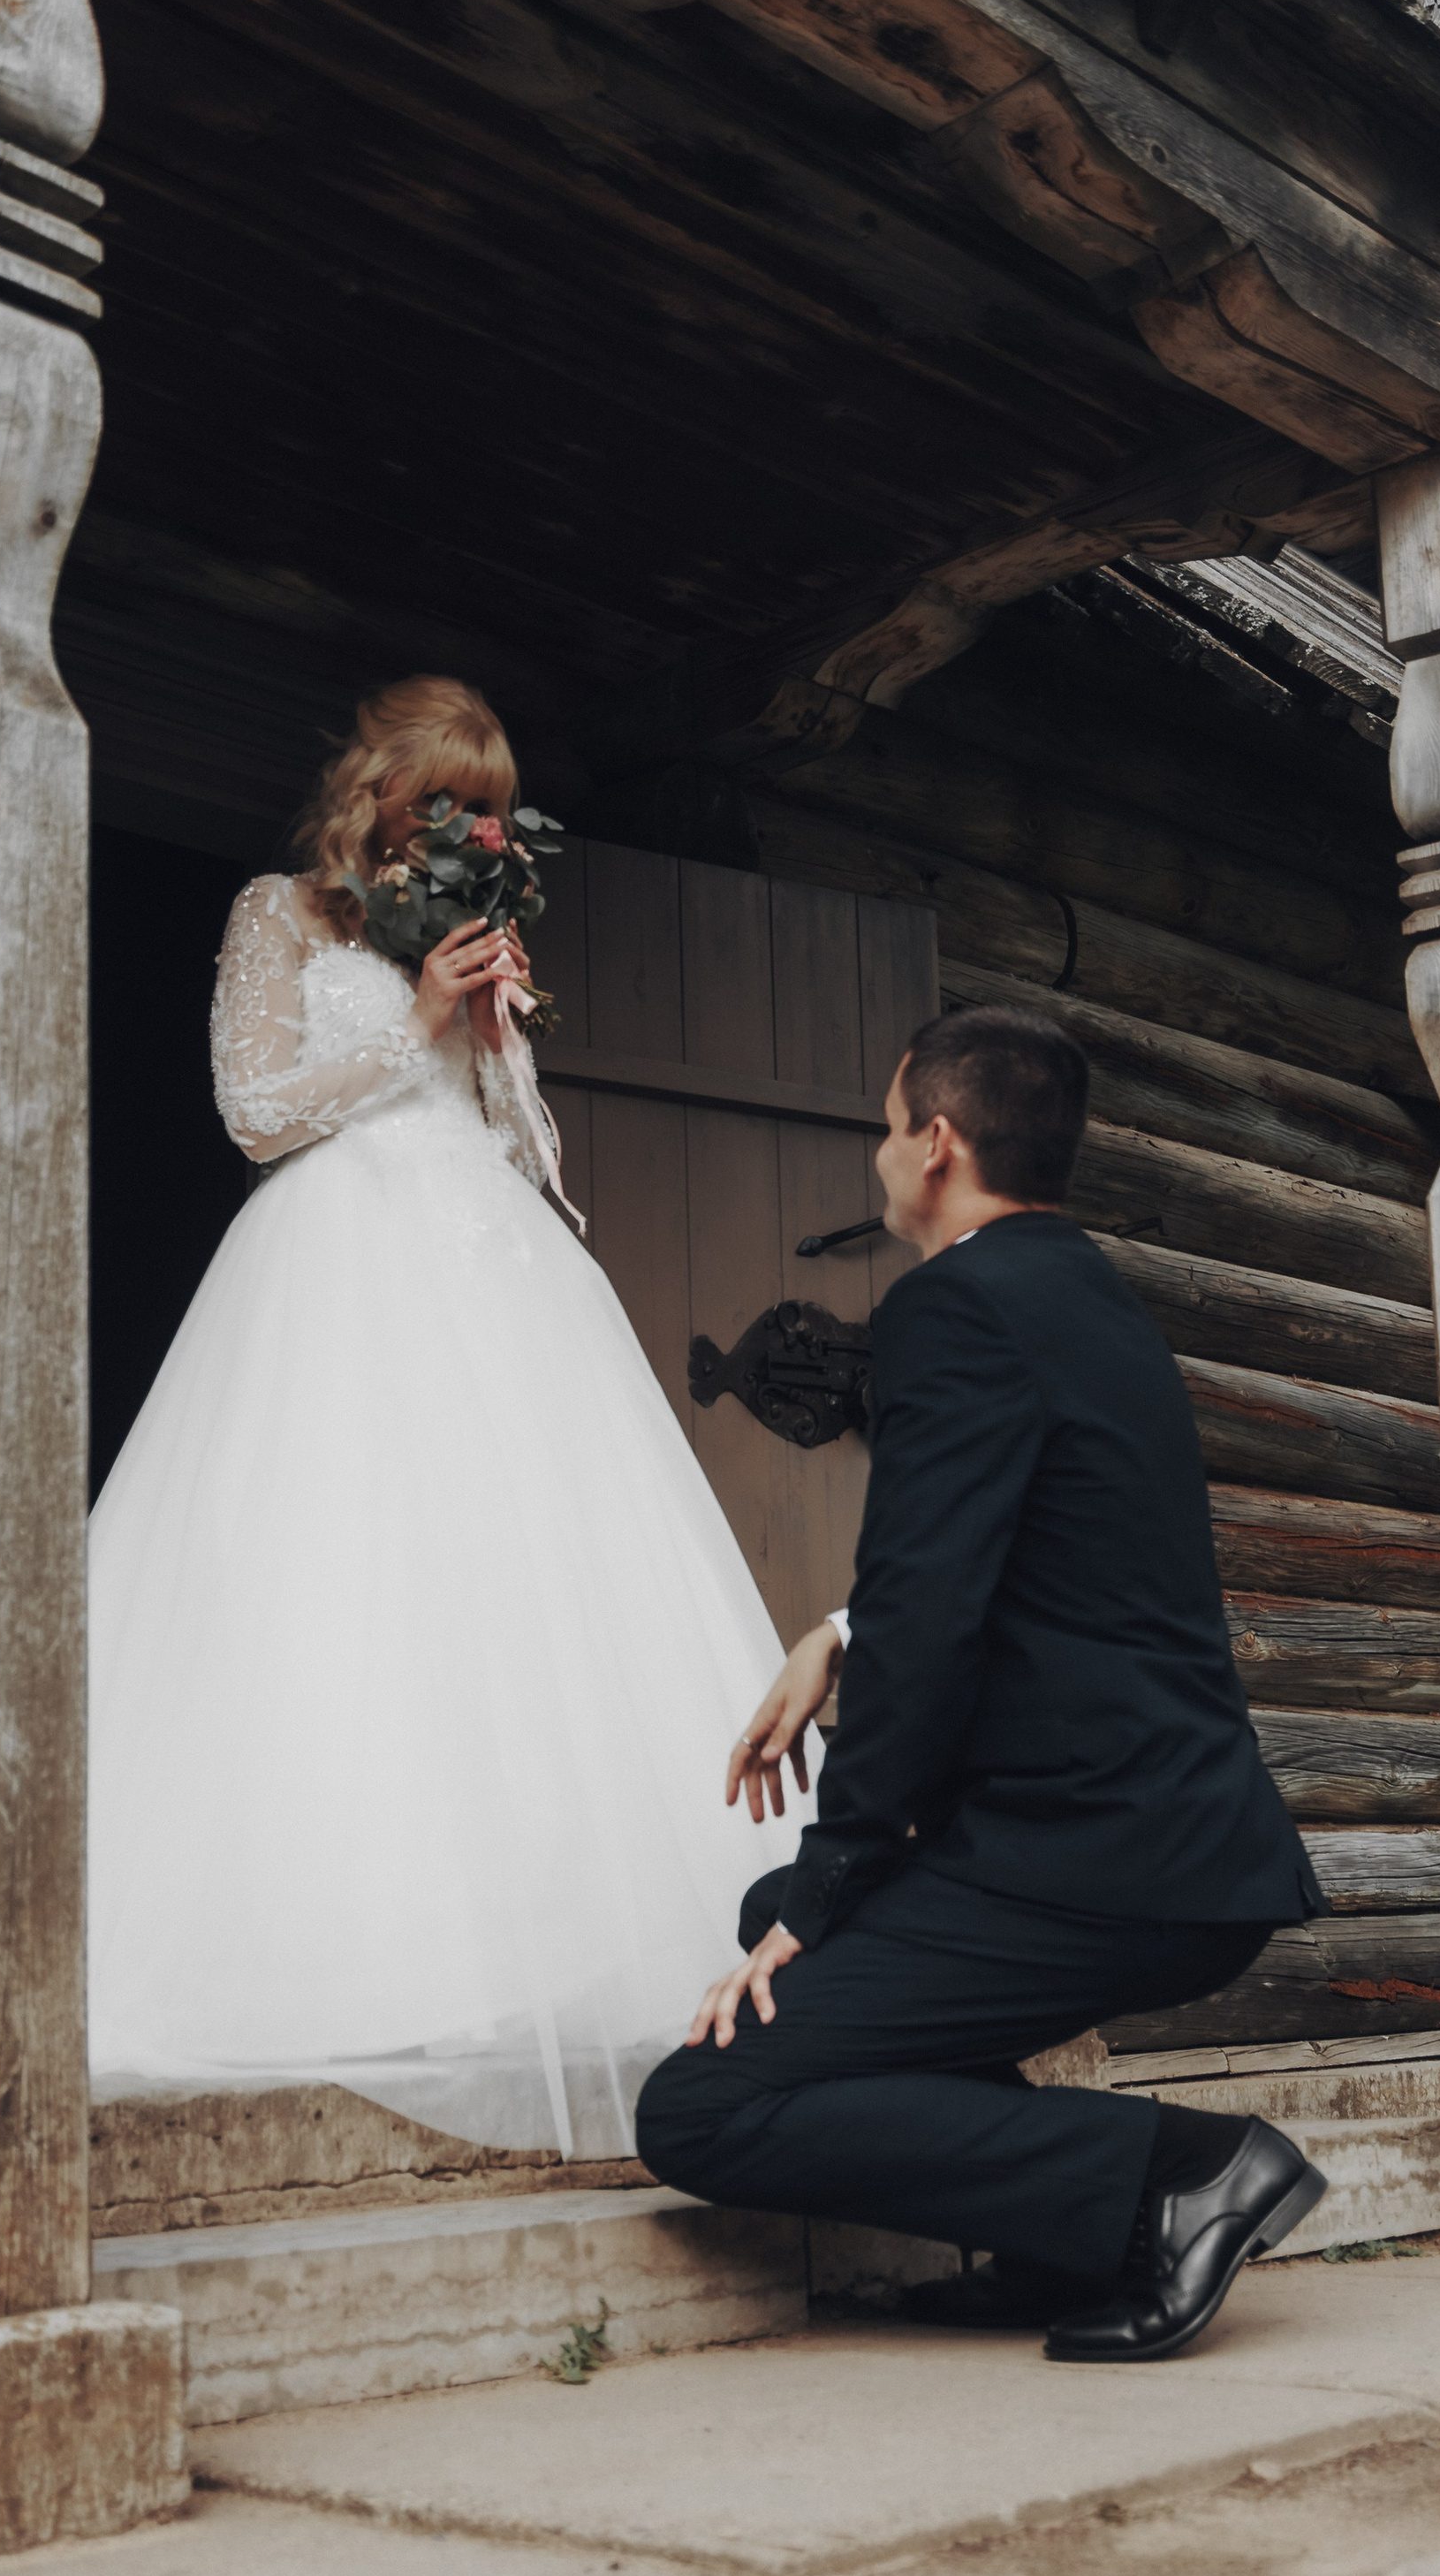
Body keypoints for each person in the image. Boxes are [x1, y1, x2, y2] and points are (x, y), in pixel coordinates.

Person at [87, 676, 787, 2157]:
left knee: (519, 1591)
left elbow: (515, 1143)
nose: (473, 828)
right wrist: (412, 1019)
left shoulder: (465, 935)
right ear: (381, 794)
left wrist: (493, 1026)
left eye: (491, 807)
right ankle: (348, 1953)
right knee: (336, 1575)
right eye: (449, 801)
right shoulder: (279, 913)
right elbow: (255, 1110)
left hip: (489, 1255)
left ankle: (536, 1953)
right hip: (333, 1255)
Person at [634, 1005, 1330, 2361]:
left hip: (1101, 1856)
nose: (878, 1155)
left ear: (938, 1142)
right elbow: (1029, 1553)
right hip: (1183, 1843)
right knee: (771, 1910)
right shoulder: (1092, 1301)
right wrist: (838, 1629)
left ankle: (1182, 2176)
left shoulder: (949, 1306)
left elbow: (932, 1627)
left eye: (888, 1127)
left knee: (703, 2106)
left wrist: (829, 1885)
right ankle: (1056, 2235)